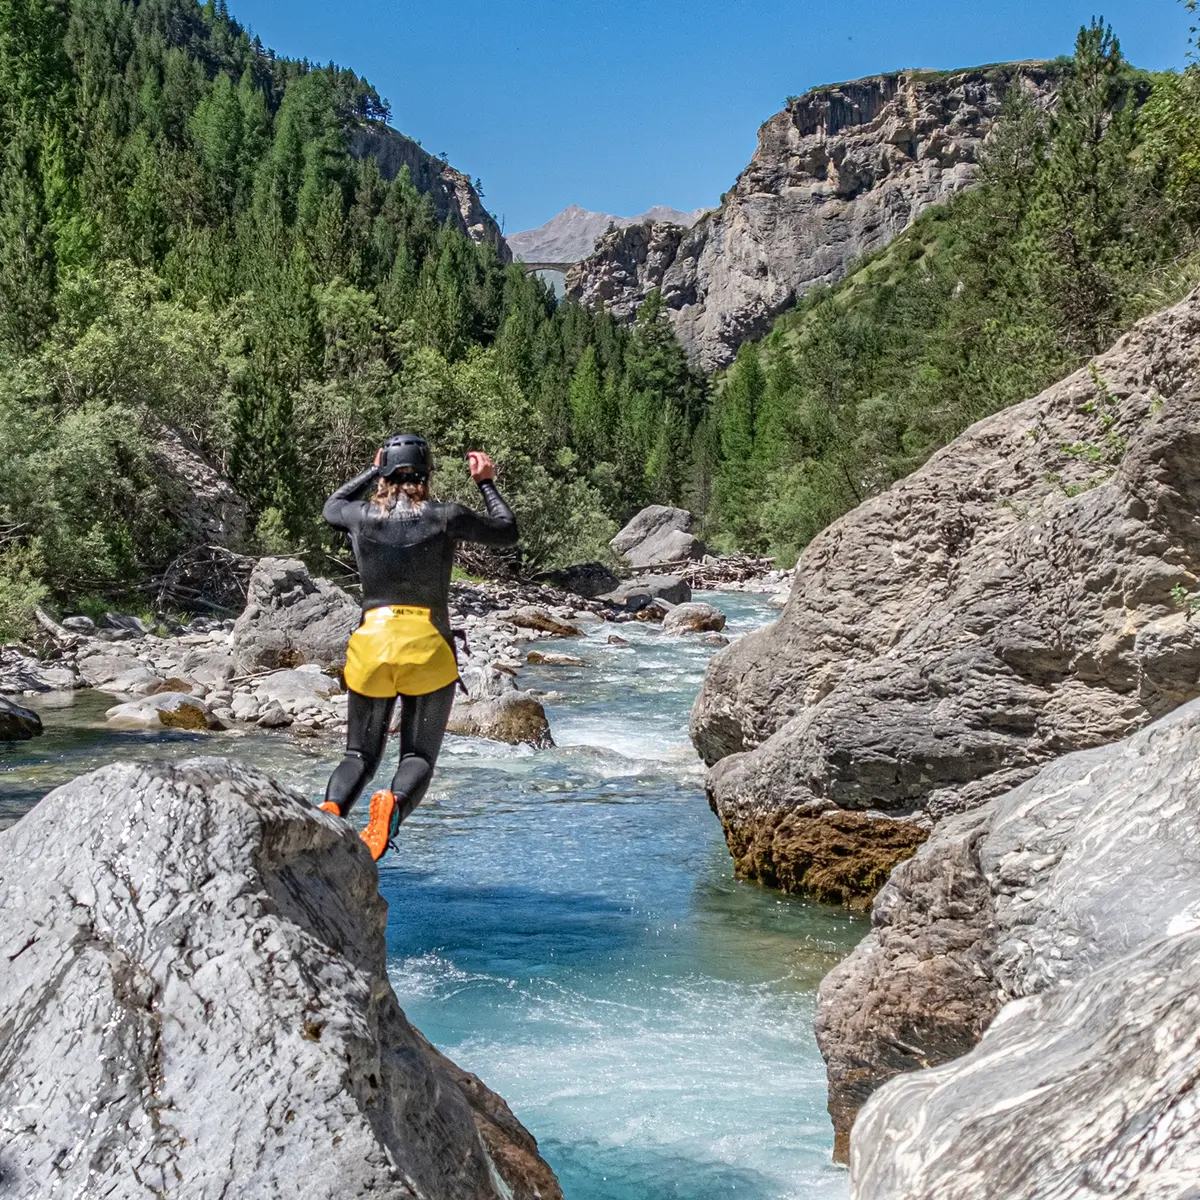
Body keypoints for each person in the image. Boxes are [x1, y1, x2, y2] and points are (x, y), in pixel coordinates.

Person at [319, 434, 517, 860]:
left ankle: (330, 810)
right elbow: (507, 530)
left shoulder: (360, 516)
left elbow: (331, 506)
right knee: (418, 756)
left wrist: (373, 469)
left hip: (372, 643)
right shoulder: (445, 516)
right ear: (427, 473)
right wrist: (486, 482)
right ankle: (393, 805)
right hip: (427, 646)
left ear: (385, 471)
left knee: (359, 753)